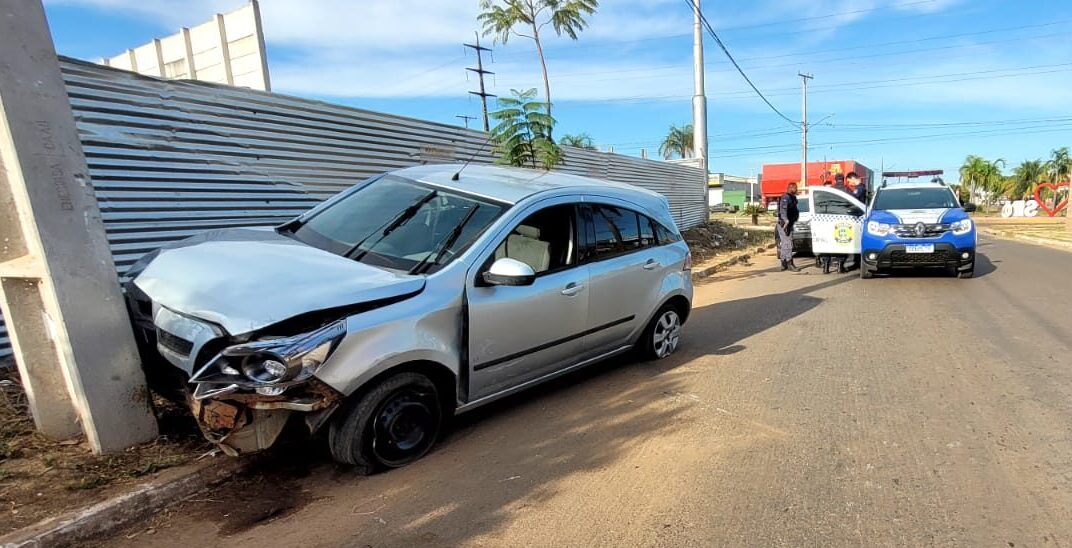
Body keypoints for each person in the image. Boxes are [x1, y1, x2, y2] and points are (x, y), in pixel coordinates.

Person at [777, 182, 801, 271]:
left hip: (789, 223)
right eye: (795, 188)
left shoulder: (792, 197)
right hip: (784, 224)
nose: (796, 190)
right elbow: (783, 210)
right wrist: (786, 221)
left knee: (785, 244)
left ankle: (783, 263)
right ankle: (790, 263)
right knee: (788, 244)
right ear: (791, 188)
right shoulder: (785, 197)